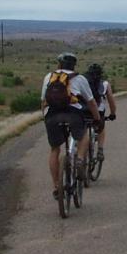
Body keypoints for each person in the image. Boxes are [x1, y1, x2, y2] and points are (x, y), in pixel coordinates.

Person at [41, 53, 105, 200]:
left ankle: (57, 186)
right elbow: (91, 102)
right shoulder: (79, 78)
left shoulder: (48, 77)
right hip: (73, 114)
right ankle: (80, 160)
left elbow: (43, 101)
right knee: (84, 136)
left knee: (54, 149)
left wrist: (44, 117)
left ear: (59, 65)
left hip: (52, 115)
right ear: (73, 66)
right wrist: (96, 119)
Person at [84, 63, 117, 161]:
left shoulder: (83, 82)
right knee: (101, 129)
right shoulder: (105, 84)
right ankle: (100, 150)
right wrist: (112, 114)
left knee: (83, 129)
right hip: (99, 111)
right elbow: (111, 101)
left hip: (83, 110)